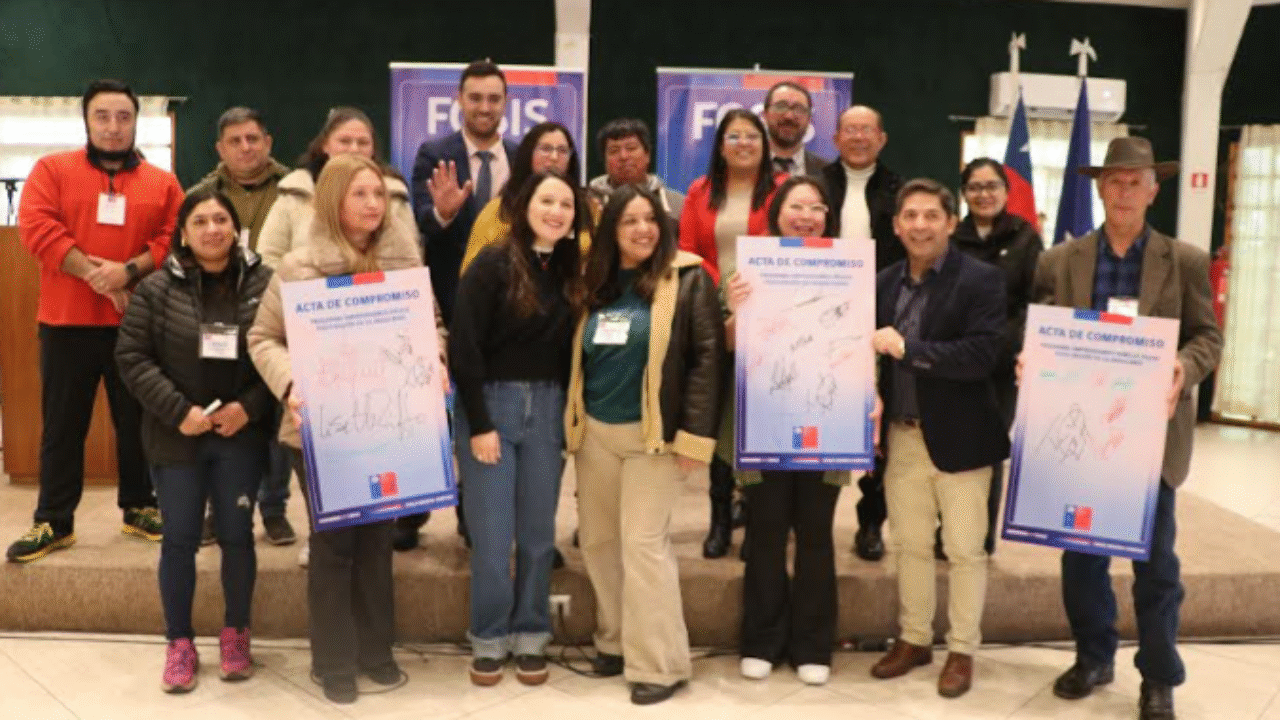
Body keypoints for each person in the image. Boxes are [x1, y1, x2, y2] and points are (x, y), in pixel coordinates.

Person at [1034, 137, 1222, 720]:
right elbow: (1041, 332)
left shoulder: (1184, 260)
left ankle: (1159, 676)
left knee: (1156, 565)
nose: (1123, 191)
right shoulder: (1059, 260)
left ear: (1153, 190)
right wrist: (1030, 360)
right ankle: (1094, 657)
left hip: (1150, 438)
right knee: (1081, 558)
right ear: (1099, 187)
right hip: (1081, 438)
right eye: (1114, 180)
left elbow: (1208, 337)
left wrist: (1183, 366)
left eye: (1135, 181)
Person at [249, 154, 441, 704]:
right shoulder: (298, 267)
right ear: (333, 199)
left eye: (379, 194)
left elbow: (432, 326)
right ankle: (332, 661)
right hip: (321, 429)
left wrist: (437, 358)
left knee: (378, 541)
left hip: (389, 426)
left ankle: (377, 651)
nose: (373, 204)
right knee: (335, 544)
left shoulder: (405, 265)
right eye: (360, 194)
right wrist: (292, 382)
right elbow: (262, 338)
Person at [7, 79, 182, 563]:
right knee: (63, 426)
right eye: (102, 116)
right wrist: (98, 276)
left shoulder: (163, 183)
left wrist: (129, 271)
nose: (113, 126)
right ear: (86, 120)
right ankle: (54, 520)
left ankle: (140, 507)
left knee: (138, 421)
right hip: (66, 323)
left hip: (137, 323)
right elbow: (37, 228)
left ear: (136, 121)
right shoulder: (52, 170)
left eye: (123, 117)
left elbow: (174, 238)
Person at [566, 185, 723, 705]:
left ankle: (659, 663)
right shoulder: (596, 281)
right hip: (595, 436)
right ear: (611, 230)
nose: (642, 230)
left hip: (652, 437)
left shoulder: (688, 277)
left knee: (643, 546)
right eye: (629, 221)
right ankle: (614, 642)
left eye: (650, 219)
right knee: (599, 543)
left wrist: (694, 438)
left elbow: (706, 360)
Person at [114, 189, 273, 693]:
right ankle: (179, 644)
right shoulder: (155, 289)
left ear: (236, 229)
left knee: (237, 536)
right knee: (179, 539)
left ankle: (236, 634)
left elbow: (281, 352)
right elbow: (132, 358)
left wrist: (249, 408)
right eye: (200, 221)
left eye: (221, 219)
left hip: (238, 435)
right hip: (176, 435)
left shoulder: (265, 283)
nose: (212, 229)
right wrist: (178, 411)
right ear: (183, 233)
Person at [726, 176, 875, 686]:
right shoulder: (749, 269)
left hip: (827, 421)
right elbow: (725, 343)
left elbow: (862, 343)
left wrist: (869, 396)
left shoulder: (849, 271)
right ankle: (761, 641)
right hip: (764, 419)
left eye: (816, 208)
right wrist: (737, 309)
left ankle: (813, 644)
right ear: (777, 213)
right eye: (797, 206)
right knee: (765, 533)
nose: (806, 215)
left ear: (828, 217)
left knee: (815, 533)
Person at [867, 178, 1008, 699]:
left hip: (963, 438)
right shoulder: (883, 282)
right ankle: (915, 639)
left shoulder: (982, 280)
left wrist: (910, 349)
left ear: (951, 222)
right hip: (902, 436)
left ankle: (963, 649)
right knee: (910, 545)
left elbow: (980, 356)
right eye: (910, 216)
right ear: (896, 225)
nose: (920, 225)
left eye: (931, 215)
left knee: (965, 550)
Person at [449, 170, 586, 688]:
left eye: (566, 204)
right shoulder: (491, 264)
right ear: (525, 206)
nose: (556, 211)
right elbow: (464, 347)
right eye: (546, 201)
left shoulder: (573, 270)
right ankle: (487, 638)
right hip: (491, 409)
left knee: (536, 536)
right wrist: (480, 424)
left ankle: (531, 635)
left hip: (548, 410)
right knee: (491, 538)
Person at [678, 108, 783, 559]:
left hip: (771, 314)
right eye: (734, 136)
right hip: (713, 309)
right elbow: (686, 250)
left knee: (759, 419)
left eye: (752, 136)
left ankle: (756, 520)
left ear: (765, 144)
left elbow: (791, 240)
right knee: (718, 414)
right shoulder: (700, 191)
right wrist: (723, 287)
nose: (743, 144)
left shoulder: (782, 190)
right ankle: (719, 518)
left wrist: (754, 286)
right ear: (720, 146)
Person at [188, 106, 295, 547]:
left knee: (275, 411)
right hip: (219, 317)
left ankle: (274, 508)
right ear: (220, 148)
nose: (245, 147)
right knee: (224, 409)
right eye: (235, 141)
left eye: (253, 139)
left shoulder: (294, 191)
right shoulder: (201, 194)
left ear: (268, 142)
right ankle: (220, 509)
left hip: (280, 315)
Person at [937, 157, 1043, 558]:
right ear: (964, 194)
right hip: (956, 358)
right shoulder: (951, 236)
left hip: (1002, 362)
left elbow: (1035, 299)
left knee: (989, 447)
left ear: (1005, 191)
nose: (984, 194)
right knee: (952, 443)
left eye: (991, 186)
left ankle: (979, 537)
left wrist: (1013, 341)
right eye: (975, 187)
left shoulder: (1025, 237)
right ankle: (947, 530)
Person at [822, 104, 904, 562]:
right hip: (820, 318)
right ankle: (813, 516)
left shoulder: (899, 189)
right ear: (836, 138)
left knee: (878, 427)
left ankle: (871, 522)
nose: (858, 137)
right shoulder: (816, 184)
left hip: (880, 319)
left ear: (882, 138)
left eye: (866, 129)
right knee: (821, 408)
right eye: (849, 130)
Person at [411, 59, 519, 323]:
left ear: (506, 102)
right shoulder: (434, 155)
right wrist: (443, 214)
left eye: (494, 99)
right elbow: (423, 222)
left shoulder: (521, 159)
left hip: (513, 298)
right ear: (459, 99)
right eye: (475, 98)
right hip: (452, 298)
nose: (485, 108)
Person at [459, 120, 590, 274]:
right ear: (528, 154)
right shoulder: (498, 210)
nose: (554, 157)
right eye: (546, 149)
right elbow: (471, 274)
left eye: (562, 150)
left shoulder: (587, 207)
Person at [586, 118, 685, 227]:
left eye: (631, 148)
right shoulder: (585, 205)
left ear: (647, 155)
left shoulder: (677, 206)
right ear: (604, 160)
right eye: (614, 150)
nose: (623, 156)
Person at [762, 81, 830, 177]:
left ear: (809, 119)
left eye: (799, 109)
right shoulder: (745, 167)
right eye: (781, 107)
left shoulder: (828, 173)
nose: (789, 116)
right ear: (765, 114)